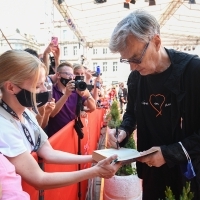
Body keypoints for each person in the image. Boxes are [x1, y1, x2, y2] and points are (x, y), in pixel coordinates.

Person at [107, 9, 200, 200]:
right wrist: (123, 130)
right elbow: (132, 113)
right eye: (127, 60)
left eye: (136, 58)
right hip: (152, 173)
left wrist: (169, 154)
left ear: (156, 42)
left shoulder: (193, 71)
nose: (132, 66)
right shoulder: (135, 78)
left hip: (190, 173)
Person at [0, 50, 121, 191]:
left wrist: (94, 159)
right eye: (37, 86)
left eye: (44, 83)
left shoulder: (26, 113)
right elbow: (39, 179)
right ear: (11, 87)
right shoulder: (3, 126)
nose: (44, 90)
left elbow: (49, 152)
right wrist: (95, 171)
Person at [47, 62, 96, 137]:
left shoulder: (76, 90)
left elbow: (92, 108)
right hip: (56, 137)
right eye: (67, 74)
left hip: (71, 135)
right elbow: (52, 114)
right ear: (58, 75)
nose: (71, 77)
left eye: (72, 74)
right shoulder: (51, 91)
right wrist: (66, 95)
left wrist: (88, 94)